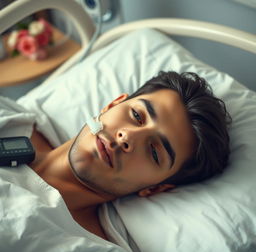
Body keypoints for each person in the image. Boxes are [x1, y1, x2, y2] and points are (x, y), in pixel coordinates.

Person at [2, 71, 231, 242]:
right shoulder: (9, 119)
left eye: (154, 152)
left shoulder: (85, 248)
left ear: (154, 189)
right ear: (112, 105)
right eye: (136, 115)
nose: (127, 137)